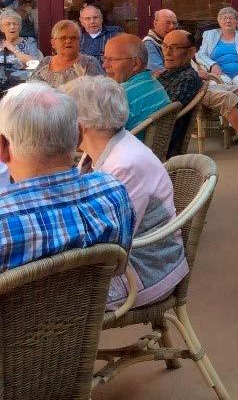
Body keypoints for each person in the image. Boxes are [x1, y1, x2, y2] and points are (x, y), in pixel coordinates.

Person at [63, 76, 188, 310]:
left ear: (80, 126)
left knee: (44, 304)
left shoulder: (124, 165)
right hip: (134, 262)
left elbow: (109, 241)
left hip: (145, 273)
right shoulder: (104, 150)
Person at [0, 82, 133, 272]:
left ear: (2, 147)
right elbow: (118, 269)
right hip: (95, 301)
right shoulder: (114, 192)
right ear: (79, 135)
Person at [102, 34, 171, 133]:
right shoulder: (154, 83)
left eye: (111, 60)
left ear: (135, 64)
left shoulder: (120, 95)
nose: (104, 65)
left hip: (126, 147)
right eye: (105, 59)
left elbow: (101, 136)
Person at [155, 29, 203, 157]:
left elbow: (165, 113)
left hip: (158, 142)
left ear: (191, 52)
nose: (167, 52)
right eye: (164, 47)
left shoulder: (187, 78)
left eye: (175, 48)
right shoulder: (168, 74)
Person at [195, 7, 238, 87]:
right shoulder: (210, 35)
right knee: (216, 86)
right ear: (219, 22)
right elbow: (201, 54)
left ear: (237, 22)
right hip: (220, 75)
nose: (228, 21)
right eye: (224, 18)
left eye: (231, 18)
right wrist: (212, 65)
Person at [29, 20, 103, 88]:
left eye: (73, 38)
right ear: (53, 43)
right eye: (63, 38)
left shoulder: (89, 63)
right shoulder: (45, 62)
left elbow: (96, 94)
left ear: (79, 42)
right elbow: (31, 87)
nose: (68, 41)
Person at [0, 8, 42, 79]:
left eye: (15, 24)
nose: (12, 27)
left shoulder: (29, 42)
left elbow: (34, 63)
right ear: (2, 29)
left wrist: (14, 50)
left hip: (22, 84)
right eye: (8, 24)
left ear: (20, 27)